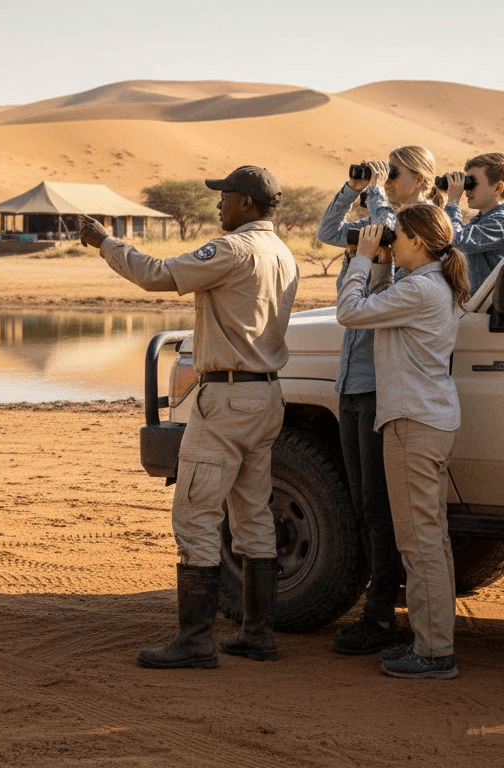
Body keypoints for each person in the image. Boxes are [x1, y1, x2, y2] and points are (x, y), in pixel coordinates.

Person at [79, 165, 299, 669]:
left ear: (246, 203)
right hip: (266, 397)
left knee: (196, 515)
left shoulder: (233, 250)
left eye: (224, 196)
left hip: (226, 400)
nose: (218, 204)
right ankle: (257, 634)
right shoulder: (282, 252)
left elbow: (159, 275)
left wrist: (106, 244)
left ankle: (196, 641)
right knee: (253, 515)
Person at [316, 145, 443, 656]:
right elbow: (328, 233)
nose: (387, 180)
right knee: (361, 501)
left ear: (422, 179)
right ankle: (376, 603)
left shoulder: (417, 229)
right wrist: (353, 190)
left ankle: (381, 611)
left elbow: (376, 280)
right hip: (352, 378)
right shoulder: (380, 219)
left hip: (380, 384)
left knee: (379, 505)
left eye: (396, 173)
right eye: (385, 173)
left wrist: (376, 213)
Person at [335, 204, 469, 679]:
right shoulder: (433, 284)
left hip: (414, 422)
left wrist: (362, 258)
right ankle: (434, 643)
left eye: (398, 237)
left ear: (416, 240)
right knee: (431, 539)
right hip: (429, 419)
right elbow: (380, 307)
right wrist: (383, 264)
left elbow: (350, 313)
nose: (392, 241)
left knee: (419, 542)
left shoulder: (420, 289)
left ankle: (434, 653)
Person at [441, 152, 504, 290]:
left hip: (493, 307)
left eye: (472, 183)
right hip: (478, 304)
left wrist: (453, 202)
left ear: (497, 188)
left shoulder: (503, 222)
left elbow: (456, 241)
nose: (466, 191)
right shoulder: (480, 220)